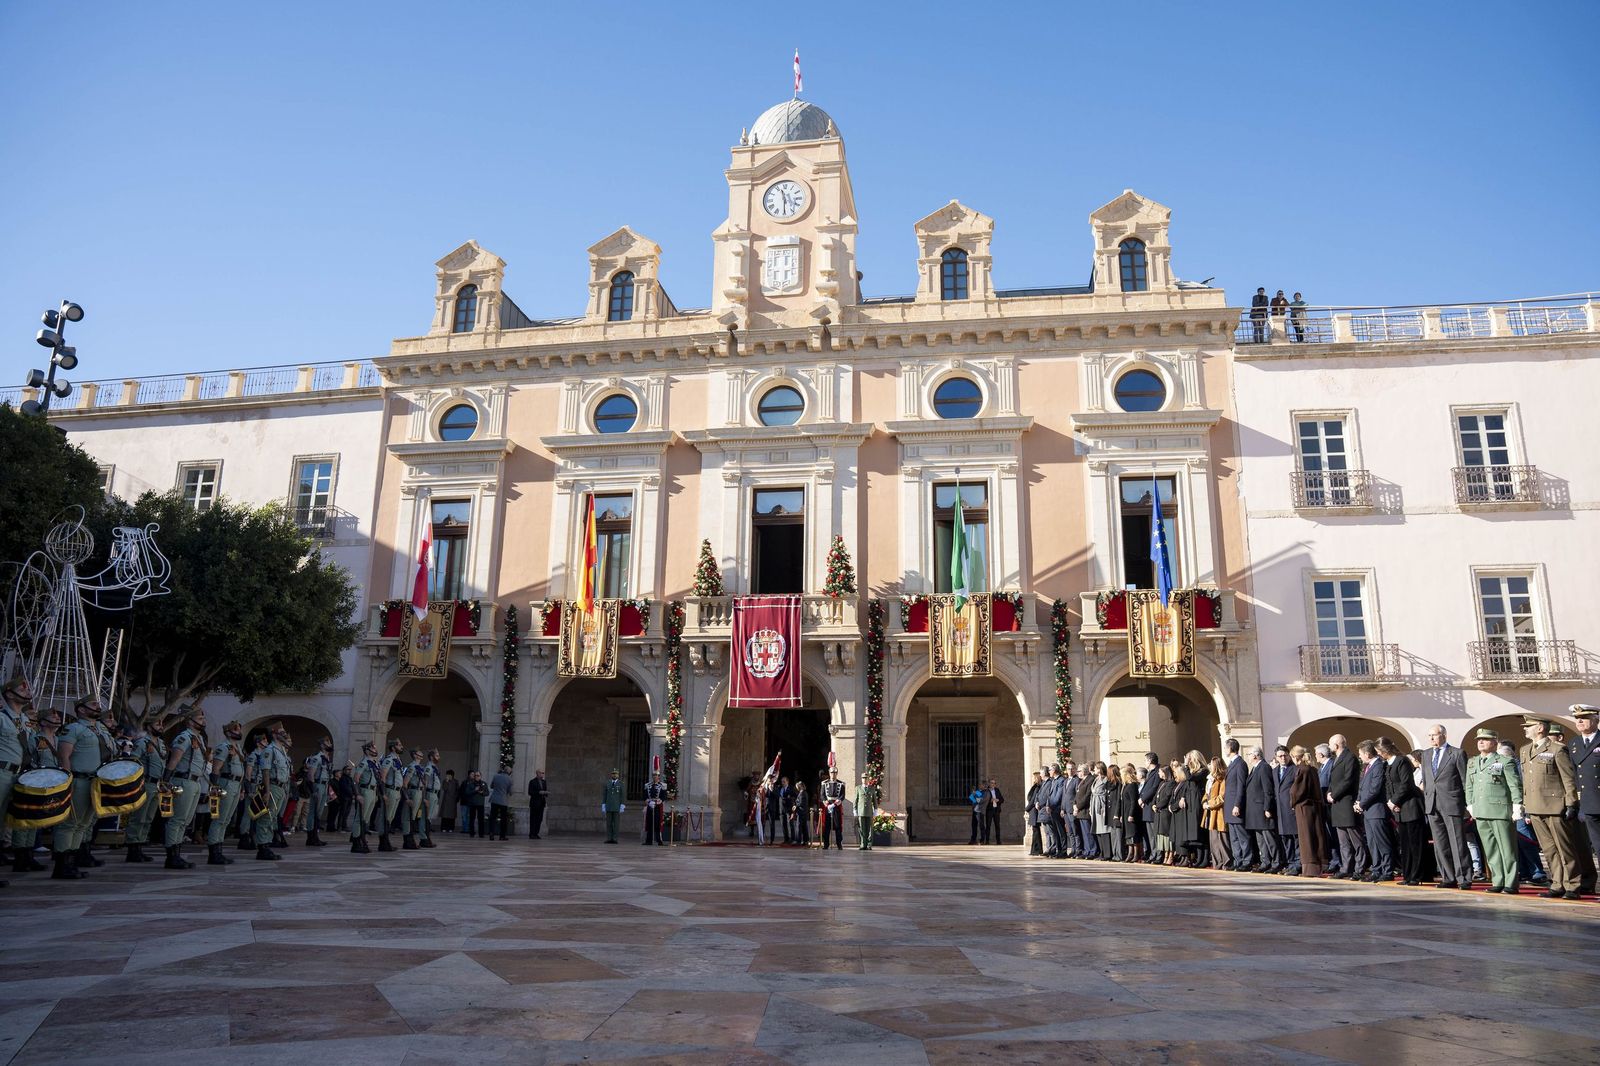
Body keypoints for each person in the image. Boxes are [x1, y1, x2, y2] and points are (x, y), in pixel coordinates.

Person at [54, 697, 117, 878]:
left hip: (96, 782)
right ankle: (61, 865)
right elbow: (64, 756)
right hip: (79, 780)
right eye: (93, 705)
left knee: (83, 824)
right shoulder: (73, 728)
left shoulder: (101, 730)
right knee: (70, 824)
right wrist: (65, 782)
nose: (98, 707)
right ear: (81, 710)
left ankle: (72, 861)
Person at [1521, 717, 1582, 899]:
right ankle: (1557, 883)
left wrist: (1571, 802)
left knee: (1564, 848)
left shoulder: (1557, 749)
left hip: (1555, 806)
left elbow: (1568, 778)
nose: (1525, 729)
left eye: (1528, 726)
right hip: (1535, 805)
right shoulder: (1525, 750)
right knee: (1548, 849)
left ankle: (1572, 885)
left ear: (1540, 728)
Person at [1465, 727, 1522, 894]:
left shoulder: (1505, 761)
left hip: (1500, 809)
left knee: (1507, 848)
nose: (1481, 742)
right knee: (1490, 849)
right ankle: (1498, 880)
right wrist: (1470, 804)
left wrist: (1517, 804)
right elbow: (1469, 785)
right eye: (1479, 739)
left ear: (1495, 742)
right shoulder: (1473, 762)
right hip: (1481, 810)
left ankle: (1510, 882)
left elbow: (1514, 785)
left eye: (1485, 739)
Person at [156, 703, 210, 870]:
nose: (204, 721)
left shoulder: (198, 738)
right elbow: (174, 759)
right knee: (177, 819)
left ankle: (177, 853)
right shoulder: (184, 737)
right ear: (190, 721)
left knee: (185, 821)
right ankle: (171, 856)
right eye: (200, 718)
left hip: (194, 782)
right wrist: (165, 780)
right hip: (183, 780)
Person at [1422, 723, 1472, 889]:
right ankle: (1448, 877)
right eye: (1429, 735)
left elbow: (1465, 780)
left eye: (1434, 735)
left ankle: (1464, 877)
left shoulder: (1457, 753)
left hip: (1451, 803)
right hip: (1432, 804)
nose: (1431, 738)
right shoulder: (1426, 754)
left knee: (1457, 842)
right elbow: (1427, 780)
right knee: (1440, 843)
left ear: (1444, 735)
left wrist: (1468, 804)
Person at [121, 714, 167, 865]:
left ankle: (140, 845)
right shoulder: (142, 742)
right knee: (139, 817)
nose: (161, 726)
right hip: (145, 782)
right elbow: (134, 760)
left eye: (161, 724)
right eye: (157, 724)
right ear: (149, 726)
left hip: (157, 784)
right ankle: (133, 848)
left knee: (148, 818)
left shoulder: (160, 743)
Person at [1379, 738, 1426, 885]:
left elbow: (1406, 783)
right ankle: (1407, 875)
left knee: (1415, 843)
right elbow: (1388, 785)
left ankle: (1416, 876)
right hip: (1398, 807)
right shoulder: (1388, 765)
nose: (1379, 754)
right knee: (1404, 844)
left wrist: (1394, 801)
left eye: (1380, 751)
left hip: (1411, 805)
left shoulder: (1402, 761)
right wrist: (1390, 802)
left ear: (1385, 750)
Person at [204, 719, 247, 867]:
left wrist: (242, 788)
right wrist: (215, 786)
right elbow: (216, 768)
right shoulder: (224, 747)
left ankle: (219, 850)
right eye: (236, 729)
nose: (239, 732)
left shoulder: (238, 748)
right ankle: (214, 852)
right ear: (228, 732)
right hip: (226, 783)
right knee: (219, 819)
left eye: (239, 729)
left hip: (236, 784)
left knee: (226, 820)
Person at [1326, 734, 1367, 880]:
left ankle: (1359, 868)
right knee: (1343, 841)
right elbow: (1333, 779)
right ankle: (1346, 867)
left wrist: (1334, 794)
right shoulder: (1336, 758)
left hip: (1346, 803)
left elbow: (1348, 780)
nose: (1329, 747)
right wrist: (1329, 793)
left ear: (1336, 745)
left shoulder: (1350, 758)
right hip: (1337, 804)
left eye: (1330, 744)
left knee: (1355, 839)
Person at [1354, 740, 1394, 883]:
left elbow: (1375, 788)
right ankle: (1377, 869)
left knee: (1381, 842)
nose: (1360, 757)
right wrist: (1358, 802)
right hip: (1367, 811)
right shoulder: (1367, 767)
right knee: (1372, 842)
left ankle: (1387, 870)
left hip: (1376, 810)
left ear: (1367, 753)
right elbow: (1362, 787)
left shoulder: (1378, 765)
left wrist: (1362, 803)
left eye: (1360, 754)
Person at [1289, 746, 1329, 877]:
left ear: (1296, 757)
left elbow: (1296, 791)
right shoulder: (1312, 769)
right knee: (1316, 835)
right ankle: (1319, 866)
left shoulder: (1302, 770)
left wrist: (1292, 802)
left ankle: (1310, 869)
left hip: (1304, 807)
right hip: (1314, 807)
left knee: (1306, 837)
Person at [1244, 746, 1279, 872]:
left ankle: (1276, 862)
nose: (1247, 756)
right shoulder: (1254, 768)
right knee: (1260, 840)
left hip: (1262, 809)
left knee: (1269, 838)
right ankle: (1265, 861)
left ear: (1255, 755)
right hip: (1254, 810)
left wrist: (1267, 808)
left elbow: (1267, 790)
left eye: (1249, 754)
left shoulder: (1264, 767)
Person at [1222, 738, 1251, 870]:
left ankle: (1246, 860)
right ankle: (1238, 860)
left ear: (1230, 748)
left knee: (1242, 836)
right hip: (1229, 805)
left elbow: (1241, 786)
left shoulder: (1240, 764)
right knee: (1233, 837)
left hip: (1235, 805)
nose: (1224, 749)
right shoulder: (1231, 764)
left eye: (1225, 747)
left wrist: (1237, 804)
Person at [1272, 745, 1301, 875]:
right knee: (1285, 838)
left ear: (1289, 755)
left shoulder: (1294, 769)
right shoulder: (1274, 771)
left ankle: (1297, 864)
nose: (1283, 758)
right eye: (1280, 756)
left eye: (1285, 755)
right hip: (1280, 810)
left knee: (1295, 838)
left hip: (1291, 809)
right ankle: (1290, 863)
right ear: (1276, 758)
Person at [302, 736, 333, 847]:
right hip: (318, 785)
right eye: (327, 742)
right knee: (313, 812)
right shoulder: (317, 757)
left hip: (325, 785)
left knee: (318, 813)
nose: (330, 743)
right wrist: (313, 789)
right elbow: (310, 774)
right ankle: (311, 837)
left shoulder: (327, 758)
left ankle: (315, 836)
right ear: (322, 745)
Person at [350, 741, 380, 853]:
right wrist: (357, 794)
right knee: (360, 818)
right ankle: (356, 842)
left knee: (365, 819)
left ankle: (362, 839)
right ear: (367, 750)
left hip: (372, 791)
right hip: (365, 791)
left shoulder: (373, 763)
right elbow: (356, 779)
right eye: (373, 748)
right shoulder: (364, 762)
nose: (375, 750)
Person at [378, 738, 406, 850]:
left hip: (397, 791)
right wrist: (383, 793)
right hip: (390, 790)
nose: (401, 746)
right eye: (399, 745)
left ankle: (386, 841)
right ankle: (383, 842)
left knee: (390, 817)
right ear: (393, 747)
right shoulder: (389, 759)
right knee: (385, 816)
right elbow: (382, 777)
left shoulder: (398, 759)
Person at [400, 748, 426, 849]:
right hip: (413, 792)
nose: (421, 754)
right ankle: (407, 840)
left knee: (413, 817)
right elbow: (405, 783)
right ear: (415, 755)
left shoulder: (419, 767)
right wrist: (407, 798)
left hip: (419, 792)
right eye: (419, 753)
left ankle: (410, 839)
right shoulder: (412, 767)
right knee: (408, 817)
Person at [1072, 763, 1097, 858]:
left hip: (1085, 810)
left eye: (1079, 771)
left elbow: (1087, 796)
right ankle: (1087, 850)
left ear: (1084, 771)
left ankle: (1092, 851)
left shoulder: (1090, 780)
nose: (1078, 773)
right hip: (1080, 811)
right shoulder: (1082, 781)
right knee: (1084, 833)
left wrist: (1078, 806)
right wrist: (1074, 804)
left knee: (1088, 833)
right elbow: (1077, 794)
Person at [819, 766, 846, 851]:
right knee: (826, 826)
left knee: (838, 826)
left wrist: (834, 805)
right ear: (829, 773)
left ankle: (839, 844)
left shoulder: (841, 784)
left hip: (836, 806)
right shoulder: (824, 783)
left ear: (837, 773)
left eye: (834, 772)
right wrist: (827, 804)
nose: (833, 774)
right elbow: (822, 795)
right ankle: (826, 844)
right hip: (827, 806)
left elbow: (842, 796)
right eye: (831, 772)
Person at [853, 772, 879, 851]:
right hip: (861, 811)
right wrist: (855, 810)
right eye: (863, 778)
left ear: (868, 779)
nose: (864, 780)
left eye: (866, 778)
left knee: (870, 829)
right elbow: (855, 800)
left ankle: (869, 844)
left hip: (869, 812)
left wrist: (875, 810)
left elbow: (874, 800)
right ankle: (862, 844)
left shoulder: (872, 788)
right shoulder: (858, 788)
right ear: (861, 779)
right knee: (861, 829)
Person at [642, 769, 668, 845]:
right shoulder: (648, 785)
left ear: (659, 777)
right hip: (650, 805)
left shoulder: (662, 786)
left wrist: (657, 802)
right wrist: (648, 802)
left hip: (657, 806)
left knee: (657, 823)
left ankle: (659, 840)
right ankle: (648, 840)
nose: (654, 777)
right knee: (649, 822)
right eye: (653, 775)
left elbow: (663, 796)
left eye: (656, 775)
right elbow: (644, 795)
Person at [488, 765, 512, 840]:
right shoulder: (509, 779)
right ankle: (502, 836)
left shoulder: (496, 776)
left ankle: (491, 834)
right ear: (509, 772)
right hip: (503, 801)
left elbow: (491, 786)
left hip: (494, 800)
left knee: (493, 818)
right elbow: (510, 792)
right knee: (503, 819)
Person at [601, 768, 624, 844]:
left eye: (616, 774)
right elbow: (605, 794)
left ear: (618, 775)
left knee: (616, 823)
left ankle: (615, 838)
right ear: (611, 775)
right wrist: (603, 804)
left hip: (617, 806)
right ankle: (609, 838)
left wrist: (622, 805)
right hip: (609, 805)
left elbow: (622, 795)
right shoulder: (607, 783)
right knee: (609, 823)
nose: (614, 775)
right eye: (613, 774)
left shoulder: (621, 783)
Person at [1025, 770, 1044, 856]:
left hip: (1034, 811)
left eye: (1033, 777)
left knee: (1036, 830)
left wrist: (1026, 809)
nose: (1032, 778)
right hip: (1032, 811)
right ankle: (1034, 849)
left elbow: (1033, 800)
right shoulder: (1035, 787)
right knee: (1035, 830)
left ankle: (1037, 850)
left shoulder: (1037, 787)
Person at [527, 769, 548, 839]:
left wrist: (546, 793)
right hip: (534, 803)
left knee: (539, 819)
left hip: (541, 803)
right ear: (537, 773)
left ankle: (536, 833)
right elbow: (530, 792)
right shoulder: (532, 782)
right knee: (533, 819)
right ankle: (531, 834)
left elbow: (545, 791)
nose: (543, 774)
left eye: (543, 773)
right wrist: (539, 792)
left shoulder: (544, 782)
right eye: (542, 773)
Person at [983, 778, 1004, 845]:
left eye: (994, 783)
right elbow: (983, 800)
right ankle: (987, 841)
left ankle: (998, 841)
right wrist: (990, 801)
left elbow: (1002, 799)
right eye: (992, 783)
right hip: (989, 810)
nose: (993, 784)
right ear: (989, 783)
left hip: (996, 810)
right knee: (988, 825)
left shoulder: (997, 790)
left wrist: (998, 800)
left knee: (997, 826)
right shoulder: (986, 791)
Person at [792, 780, 810, 846]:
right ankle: (805, 840)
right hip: (803, 812)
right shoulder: (802, 793)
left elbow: (801, 803)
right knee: (804, 827)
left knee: (799, 826)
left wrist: (795, 806)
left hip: (801, 812)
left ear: (800, 786)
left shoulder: (803, 793)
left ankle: (798, 840)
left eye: (797, 787)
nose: (797, 788)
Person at [440, 769, 459, 833]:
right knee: (445, 815)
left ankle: (451, 828)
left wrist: (456, 798)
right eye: (447, 775)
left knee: (451, 815)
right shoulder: (445, 781)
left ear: (452, 775)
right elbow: (444, 788)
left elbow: (457, 791)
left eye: (449, 775)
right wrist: (447, 781)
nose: (447, 776)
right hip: (446, 800)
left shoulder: (456, 781)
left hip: (453, 801)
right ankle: (443, 827)